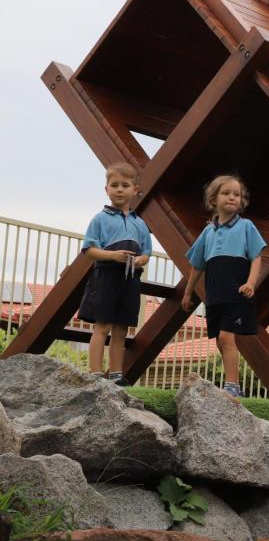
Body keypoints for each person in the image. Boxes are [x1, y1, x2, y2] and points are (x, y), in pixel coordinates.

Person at [182, 175, 266, 398]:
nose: (232, 197)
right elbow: (197, 265)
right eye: (226, 193)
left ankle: (232, 386)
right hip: (215, 294)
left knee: (227, 338)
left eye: (236, 194)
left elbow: (257, 256)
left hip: (237, 292)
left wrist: (250, 283)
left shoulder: (247, 226)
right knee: (220, 339)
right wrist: (188, 292)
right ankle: (233, 384)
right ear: (213, 199)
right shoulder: (208, 232)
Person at [79, 162, 152, 385]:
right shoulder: (99, 219)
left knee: (121, 328)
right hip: (106, 276)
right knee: (102, 326)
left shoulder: (140, 223)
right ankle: (95, 374)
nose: (119, 189)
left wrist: (140, 260)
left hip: (129, 279)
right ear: (106, 189)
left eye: (125, 185)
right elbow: (89, 250)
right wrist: (112, 256)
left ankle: (117, 375)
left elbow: (147, 252)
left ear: (135, 190)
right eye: (114, 185)